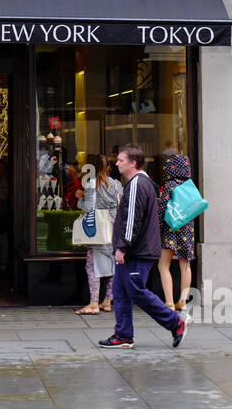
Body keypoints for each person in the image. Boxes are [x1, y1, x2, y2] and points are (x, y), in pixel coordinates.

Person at [98, 144, 186, 349]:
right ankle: (123, 334)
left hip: (137, 251)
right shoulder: (140, 183)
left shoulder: (138, 184)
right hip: (137, 250)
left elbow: (132, 220)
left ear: (133, 163)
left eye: (121, 160)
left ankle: (175, 322)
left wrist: (123, 247)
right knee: (120, 291)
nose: (116, 163)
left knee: (136, 290)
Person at [75, 153, 120, 315]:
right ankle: (108, 301)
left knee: (92, 267)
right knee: (113, 266)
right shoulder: (116, 184)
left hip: (98, 231)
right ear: (108, 168)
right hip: (114, 230)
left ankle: (94, 303)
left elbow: (88, 208)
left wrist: (79, 198)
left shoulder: (91, 185)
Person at [154, 151, 197, 311]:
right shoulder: (190, 187)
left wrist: (156, 228)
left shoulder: (170, 186)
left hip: (170, 230)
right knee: (185, 265)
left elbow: (163, 209)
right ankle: (183, 301)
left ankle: (169, 302)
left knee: (163, 265)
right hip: (186, 230)